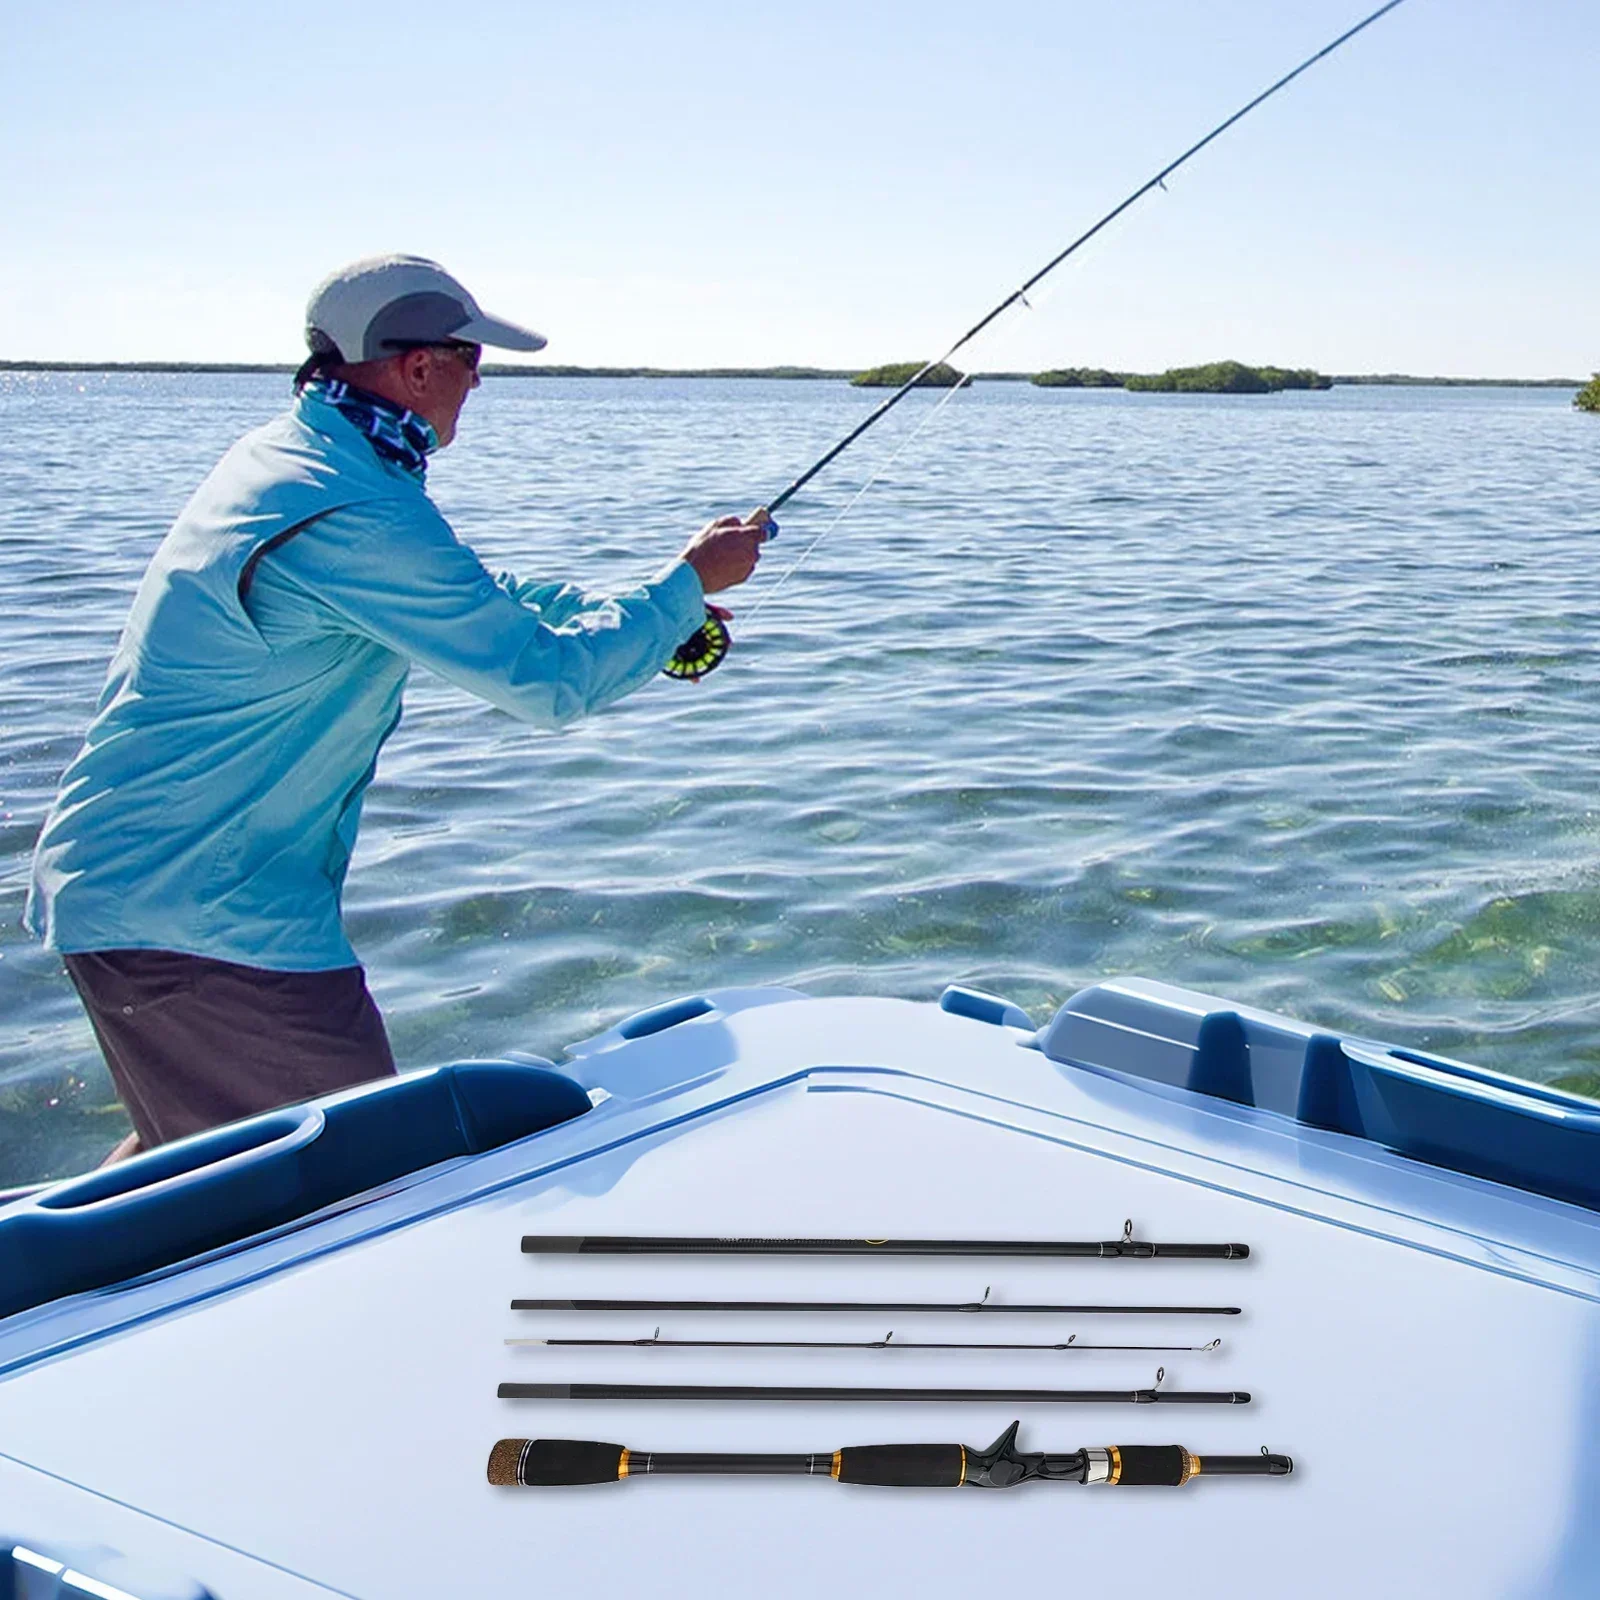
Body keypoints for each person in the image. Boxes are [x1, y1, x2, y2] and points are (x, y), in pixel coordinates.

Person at [25, 254, 770, 1161]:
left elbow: (473, 594)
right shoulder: (350, 510)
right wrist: (685, 588)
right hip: (201, 918)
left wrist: (654, 604)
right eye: (470, 359)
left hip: (152, 896)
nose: (479, 381)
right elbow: (548, 684)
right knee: (357, 1181)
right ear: (417, 367)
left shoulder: (300, 461)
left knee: (203, 1165)